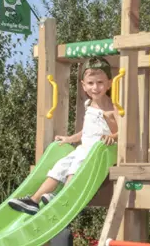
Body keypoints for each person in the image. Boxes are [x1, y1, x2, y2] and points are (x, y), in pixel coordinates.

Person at [10, 57, 119, 215]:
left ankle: (64, 196)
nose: (95, 87)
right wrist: (69, 139)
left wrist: (113, 136)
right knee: (61, 165)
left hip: (100, 153)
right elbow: (87, 132)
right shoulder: (89, 105)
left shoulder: (113, 107)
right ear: (83, 85)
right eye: (91, 83)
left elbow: (124, 131)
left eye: (100, 82)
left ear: (109, 83)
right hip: (83, 149)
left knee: (76, 165)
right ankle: (34, 200)